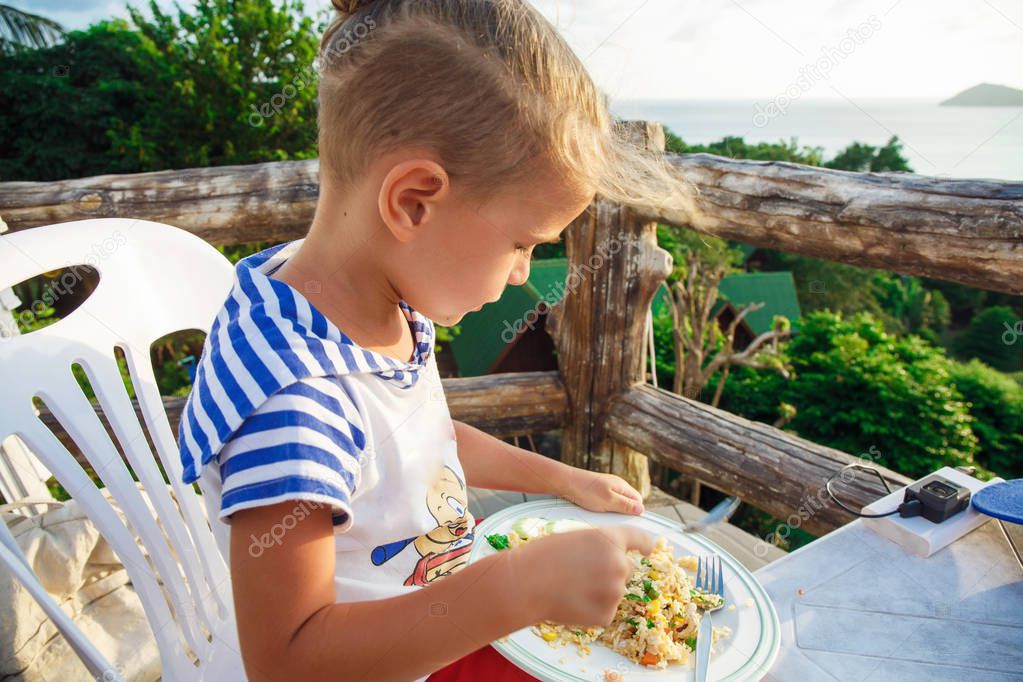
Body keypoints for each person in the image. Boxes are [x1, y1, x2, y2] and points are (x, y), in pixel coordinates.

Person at [177, 0, 690, 679]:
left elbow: (420, 447)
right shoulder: (297, 401)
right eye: (521, 243)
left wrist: (560, 478)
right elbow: (287, 659)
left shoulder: (372, 296)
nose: (519, 277)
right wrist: (513, 588)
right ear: (413, 201)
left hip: (423, 622)